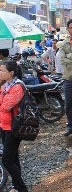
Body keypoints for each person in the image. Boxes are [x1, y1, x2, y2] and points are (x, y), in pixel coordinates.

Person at [0, 61, 28, 192]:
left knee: (6, 160)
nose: (0, 73)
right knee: (13, 158)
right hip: (4, 126)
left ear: (11, 73)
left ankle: (21, 187)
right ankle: (17, 186)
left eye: (2, 71)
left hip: (13, 127)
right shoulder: (5, 86)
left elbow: (6, 106)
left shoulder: (17, 87)